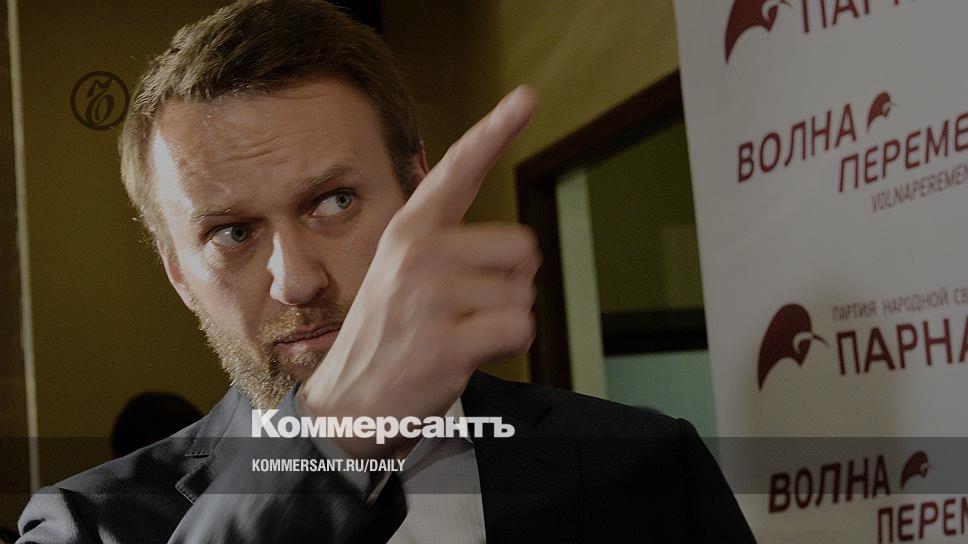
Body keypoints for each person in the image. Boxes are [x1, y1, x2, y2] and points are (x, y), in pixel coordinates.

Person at [17, 1, 756, 542]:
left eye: (334, 202)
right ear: (177, 271)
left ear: (417, 191)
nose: (297, 281)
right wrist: (328, 440)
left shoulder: (647, 467)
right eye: (232, 232)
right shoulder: (88, 524)